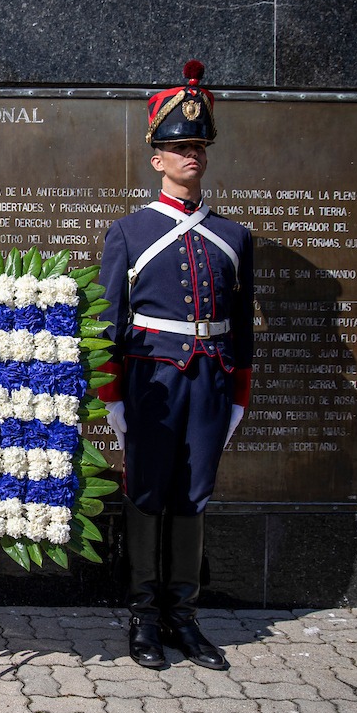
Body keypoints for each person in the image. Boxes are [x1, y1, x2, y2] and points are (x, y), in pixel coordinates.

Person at [96, 60, 253, 671]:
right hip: (150, 383)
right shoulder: (130, 233)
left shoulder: (233, 237)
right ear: (156, 158)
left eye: (198, 147)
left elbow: (240, 325)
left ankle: (183, 619)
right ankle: (141, 619)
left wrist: (238, 392)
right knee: (146, 492)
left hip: (210, 380)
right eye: (179, 148)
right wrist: (112, 397)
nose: (193, 157)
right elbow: (110, 323)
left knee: (193, 495)